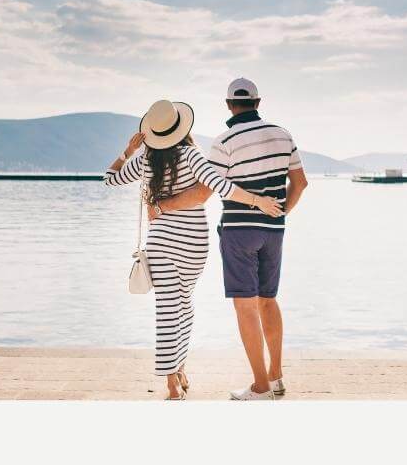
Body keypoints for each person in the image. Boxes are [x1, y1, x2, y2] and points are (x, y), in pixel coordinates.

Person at [104, 99, 283, 400]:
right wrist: (258, 201)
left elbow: (109, 179)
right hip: (192, 244)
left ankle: (174, 379)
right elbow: (220, 185)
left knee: (167, 310)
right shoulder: (191, 155)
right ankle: (178, 370)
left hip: (159, 242)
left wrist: (127, 151)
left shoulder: (145, 160)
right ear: (181, 127)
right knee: (184, 306)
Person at [151, 78, 307, 400]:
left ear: (228, 105)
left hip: (239, 231)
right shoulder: (283, 134)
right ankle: (276, 377)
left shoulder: (224, 141)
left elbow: (204, 191)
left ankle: (261, 386)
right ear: (258, 102)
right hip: (274, 231)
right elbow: (301, 183)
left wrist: (163, 205)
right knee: (268, 300)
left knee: (245, 307)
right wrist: (281, 212)